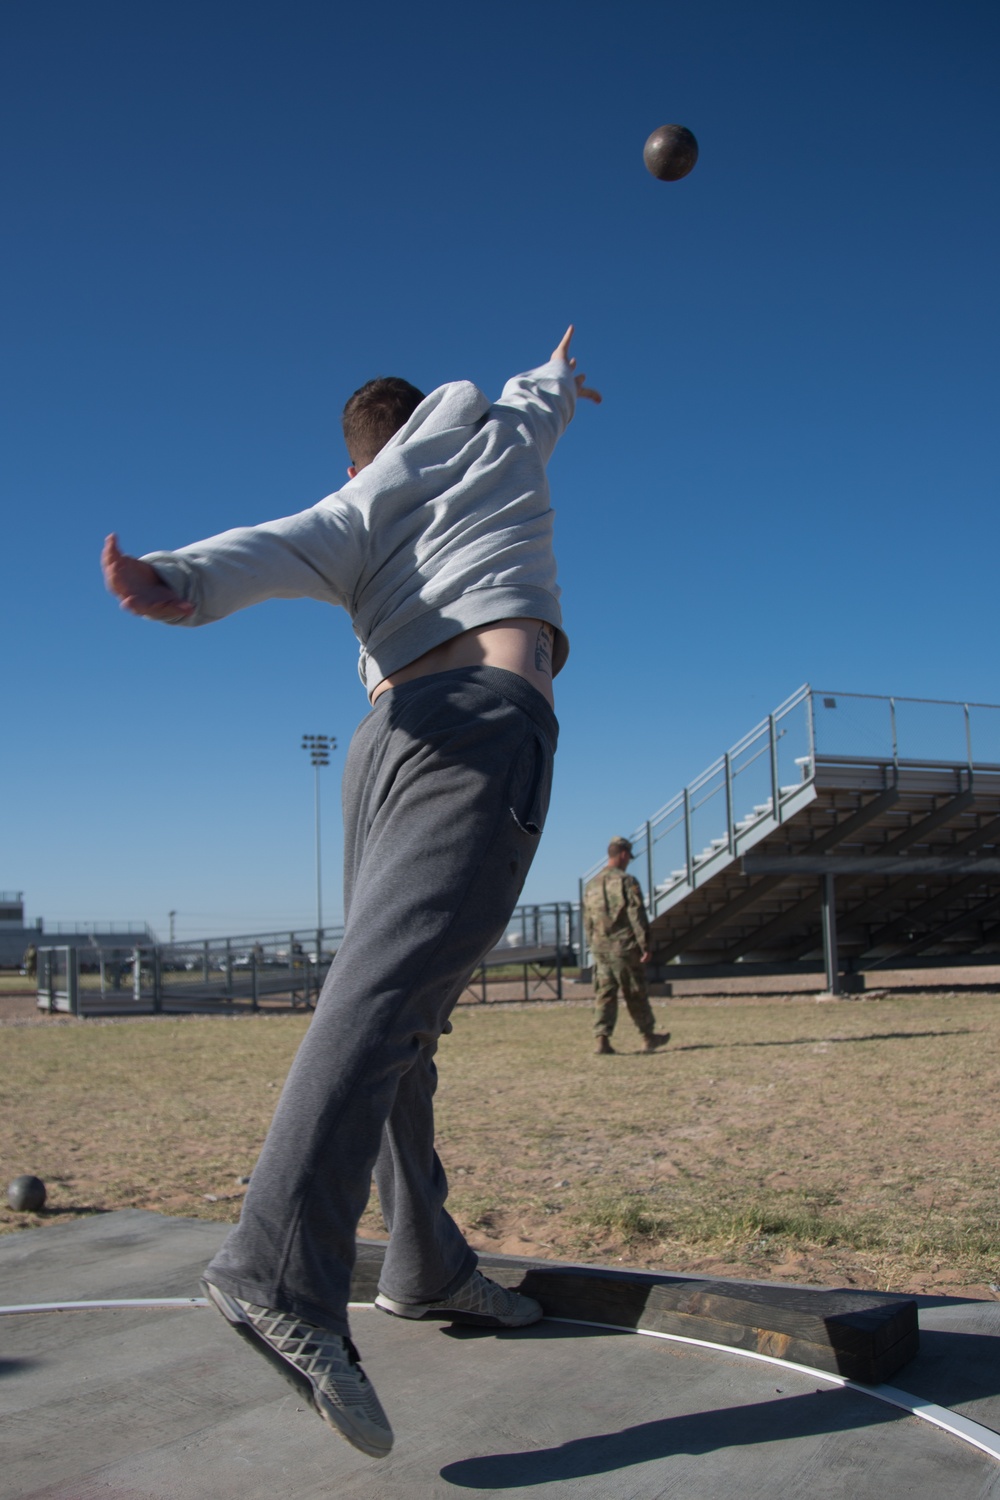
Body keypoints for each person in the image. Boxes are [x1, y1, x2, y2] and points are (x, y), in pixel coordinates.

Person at [101, 327, 600, 1461]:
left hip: (383, 747)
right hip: (480, 727)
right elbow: (539, 399)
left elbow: (280, 542)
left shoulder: (363, 500)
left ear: (355, 457)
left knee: (393, 1014)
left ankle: (422, 1267)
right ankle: (275, 1272)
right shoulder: (501, 438)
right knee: (385, 1006)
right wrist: (561, 374)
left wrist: (179, 580)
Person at [583, 836, 671, 1056]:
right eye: (628, 857)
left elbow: (587, 921)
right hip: (623, 947)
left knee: (604, 993)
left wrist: (592, 945)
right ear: (623, 854)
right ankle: (648, 1036)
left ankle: (602, 1039)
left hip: (600, 949)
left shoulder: (591, 884)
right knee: (635, 992)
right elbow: (636, 915)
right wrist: (645, 944)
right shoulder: (626, 881)